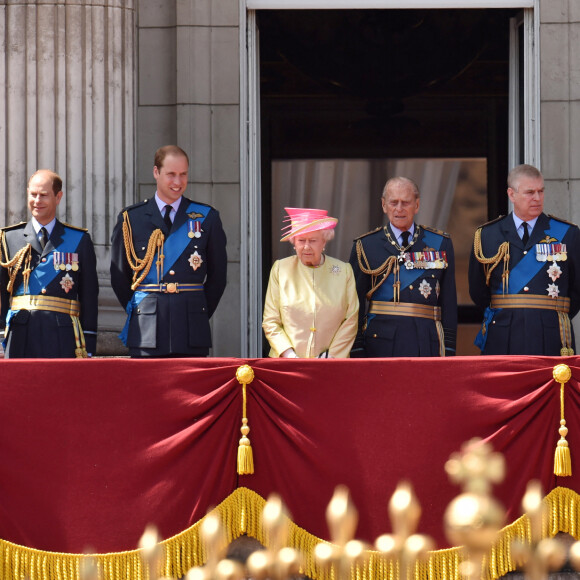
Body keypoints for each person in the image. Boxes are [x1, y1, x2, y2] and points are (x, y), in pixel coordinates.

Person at [110, 145, 227, 357]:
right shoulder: (131, 219)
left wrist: (197, 313)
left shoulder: (206, 217)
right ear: (156, 172)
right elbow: (119, 277)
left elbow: (218, 277)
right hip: (146, 328)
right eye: (171, 174)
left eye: (183, 175)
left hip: (192, 328)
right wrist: (141, 310)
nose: (178, 182)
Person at [469, 163, 580, 355]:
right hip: (503, 334)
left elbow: (577, 289)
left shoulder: (568, 234)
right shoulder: (488, 235)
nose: (537, 198)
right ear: (512, 194)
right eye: (530, 192)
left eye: (540, 191)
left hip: (551, 335)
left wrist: (548, 316)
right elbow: (478, 290)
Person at [349, 176, 457, 357]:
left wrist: (450, 346)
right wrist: (357, 347)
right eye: (394, 202)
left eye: (405, 202)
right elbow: (355, 303)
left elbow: (448, 301)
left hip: (426, 341)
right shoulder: (366, 246)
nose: (399, 209)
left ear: (417, 205)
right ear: (384, 205)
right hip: (380, 343)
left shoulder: (440, 243)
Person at [0, 170, 99, 358]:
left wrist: (89, 341)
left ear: (58, 197)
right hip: (20, 334)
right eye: (33, 194)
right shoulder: (9, 238)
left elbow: (89, 295)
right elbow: (1, 294)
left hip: (63, 335)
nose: (37, 201)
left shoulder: (79, 240)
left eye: (44, 195)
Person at [262, 207, 358, 358]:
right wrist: (290, 356)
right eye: (301, 240)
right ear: (293, 242)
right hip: (286, 364)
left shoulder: (343, 271)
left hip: (331, 364)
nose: (306, 246)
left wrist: (331, 356)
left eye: (313, 241)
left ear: (324, 241)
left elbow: (351, 319)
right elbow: (270, 321)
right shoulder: (281, 270)